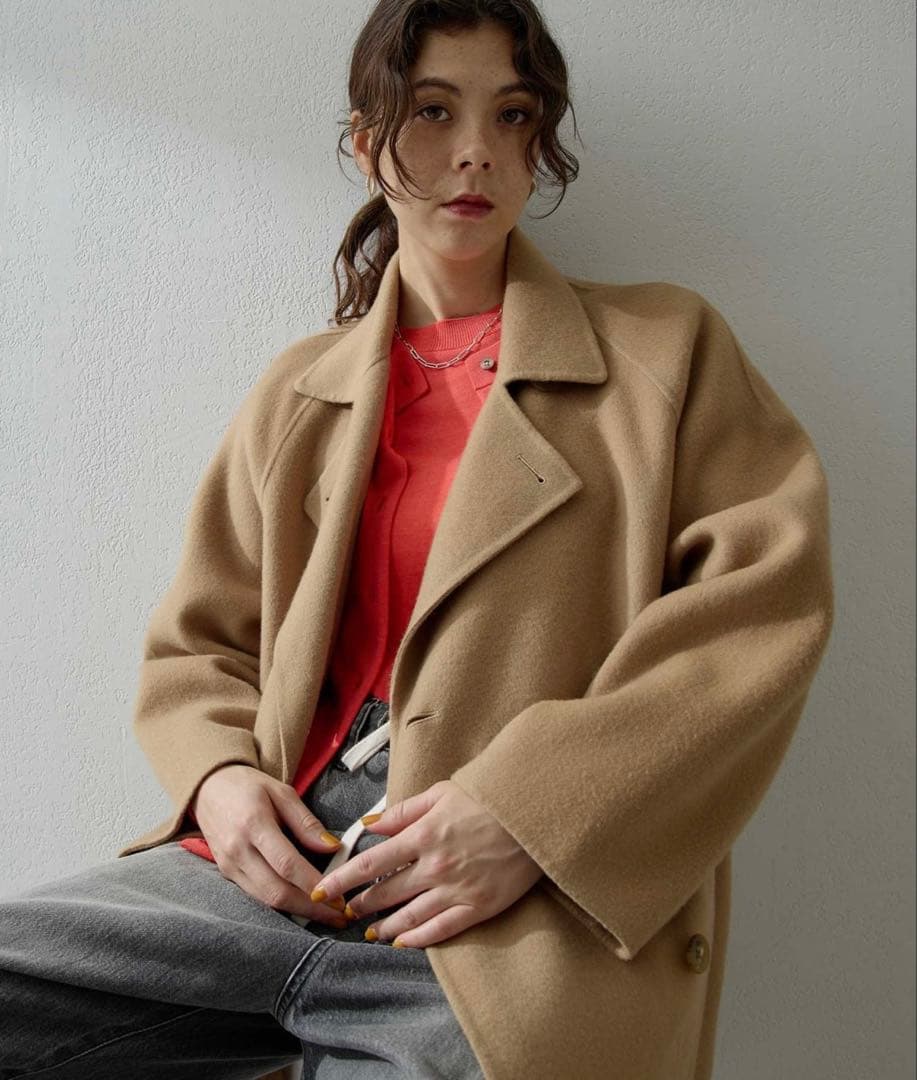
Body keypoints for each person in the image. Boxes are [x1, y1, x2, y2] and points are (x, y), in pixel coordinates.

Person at [0, 1, 835, 1078]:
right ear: (367, 141)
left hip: (496, 907)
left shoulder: (661, 352)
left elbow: (756, 619)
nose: (475, 150)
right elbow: (198, 644)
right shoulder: (301, 391)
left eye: (512, 114)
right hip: (275, 870)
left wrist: (528, 813)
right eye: (433, 111)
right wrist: (217, 780)